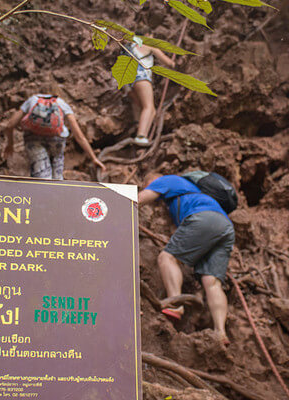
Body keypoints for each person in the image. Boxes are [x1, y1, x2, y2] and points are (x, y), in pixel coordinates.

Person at [137, 172, 234, 344]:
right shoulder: (192, 191)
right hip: (225, 226)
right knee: (211, 281)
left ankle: (175, 305)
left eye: (147, 183)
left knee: (167, 258)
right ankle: (220, 332)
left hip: (203, 218)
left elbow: (138, 199)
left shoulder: (165, 180)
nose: (148, 187)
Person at [3, 93, 106, 179]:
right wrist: (93, 158)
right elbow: (79, 136)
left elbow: (10, 125)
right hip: (57, 141)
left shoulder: (32, 100)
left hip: (33, 140)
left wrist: (10, 144)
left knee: (41, 178)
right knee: (57, 178)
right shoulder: (61, 103)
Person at [123, 41, 176, 144]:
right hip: (141, 77)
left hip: (129, 81)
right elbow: (168, 62)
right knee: (148, 107)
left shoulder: (130, 47)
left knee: (149, 110)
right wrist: (173, 63)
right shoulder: (149, 44)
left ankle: (143, 136)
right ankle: (141, 136)